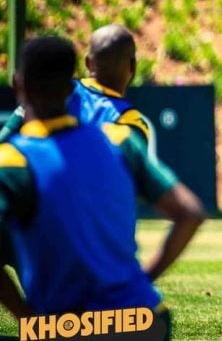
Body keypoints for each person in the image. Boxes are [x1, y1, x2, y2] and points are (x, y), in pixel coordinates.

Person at [0, 37, 205, 338]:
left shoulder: (14, 161)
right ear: (71, 88)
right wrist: (144, 281)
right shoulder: (120, 139)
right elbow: (191, 213)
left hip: (70, 329)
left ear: (18, 86)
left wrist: (28, 320)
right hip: (147, 320)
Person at [0, 24, 152, 146]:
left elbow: (5, 137)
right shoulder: (130, 120)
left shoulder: (56, 92)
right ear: (133, 66)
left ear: (87, 63)